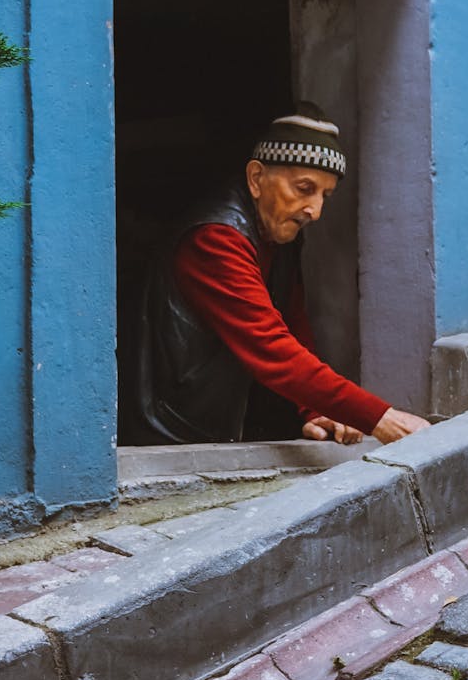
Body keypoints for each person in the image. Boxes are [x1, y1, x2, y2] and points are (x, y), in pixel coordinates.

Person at [129, 103, 430, 446]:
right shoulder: (214, 241)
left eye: (325, 196)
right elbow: (272, 348)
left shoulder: (277, 235)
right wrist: (378, 417)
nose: (315, 211)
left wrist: (315, 410)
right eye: (304, 188)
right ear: (256, 179)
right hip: (171, 435)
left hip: (212, 431)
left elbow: (293, 324)